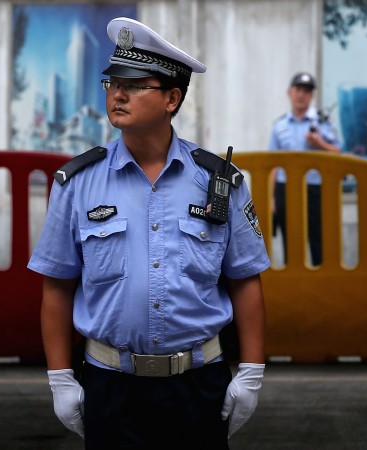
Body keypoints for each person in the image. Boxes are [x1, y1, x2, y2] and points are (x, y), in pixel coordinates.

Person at [28, 17, 270, 449]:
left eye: (136, 85)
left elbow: (245, 279)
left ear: (172, 98)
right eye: (112, 82)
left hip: (198, 386)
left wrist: (251, 372)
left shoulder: (218, 181)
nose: (117, 94)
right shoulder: (77, 183)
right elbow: (58, 286)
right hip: (110, 386)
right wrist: (60, 378)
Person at [268, 72, 341, 266]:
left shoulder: (322, 123)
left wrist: (319, 143)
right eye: (298, 90)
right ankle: (293, 291)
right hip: (286, 188)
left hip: (315, 189)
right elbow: (272, 164)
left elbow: (339, 154)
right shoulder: (279, 126)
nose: (301, 95)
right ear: (289, 92)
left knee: (319, 239)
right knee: (290, 241)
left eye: (307, 91)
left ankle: (320, 289)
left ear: (312, 96)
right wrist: (272, 198)